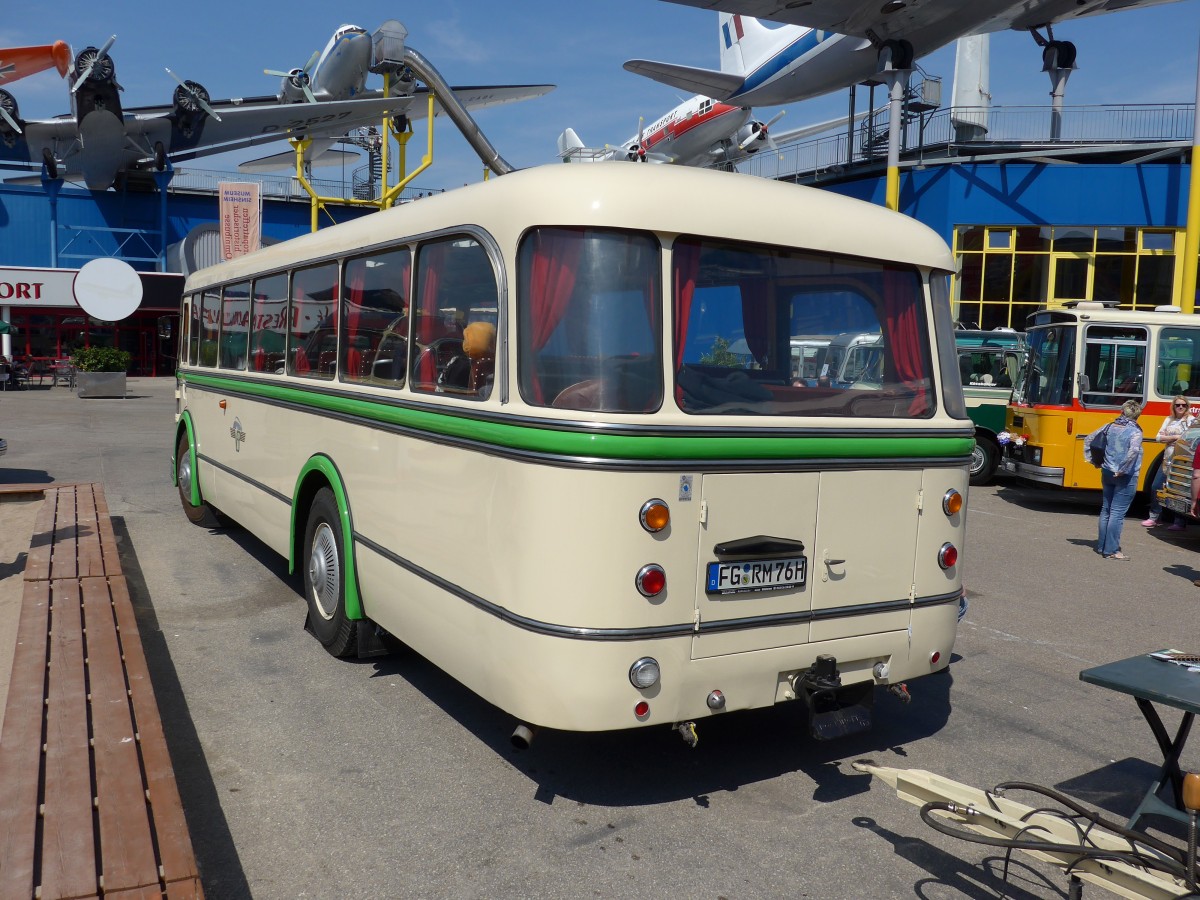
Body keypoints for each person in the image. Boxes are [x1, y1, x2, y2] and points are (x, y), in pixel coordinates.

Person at [1084, 398, 1144, 560]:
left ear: (1121, 412)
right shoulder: (1136, 432)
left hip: (1107, 471)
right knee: (1117, 513)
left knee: (1106, 509)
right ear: (1138, 415)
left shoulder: (1110, 426)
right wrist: (1123, 469)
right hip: (1125, 475)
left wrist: (1094, 461)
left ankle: (1102, 546)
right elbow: (1133, 452)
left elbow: (1089, 439)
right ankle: (1111, 550)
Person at [1143, 395, 1195, 530]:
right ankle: (1154, 516)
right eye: (1178, 405)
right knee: (1155, 486)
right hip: (1167, 459)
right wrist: (1175, 437)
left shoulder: (1190, 421)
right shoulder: (1168, 419)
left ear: (1187, 407)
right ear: (1173, 406)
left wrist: (1170, 438)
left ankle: (1179, 521)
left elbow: (1191, 439)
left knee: (1179, 491)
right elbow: (1158, 438)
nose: (1181, 407)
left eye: (1183, 405)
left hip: (1183, 460)